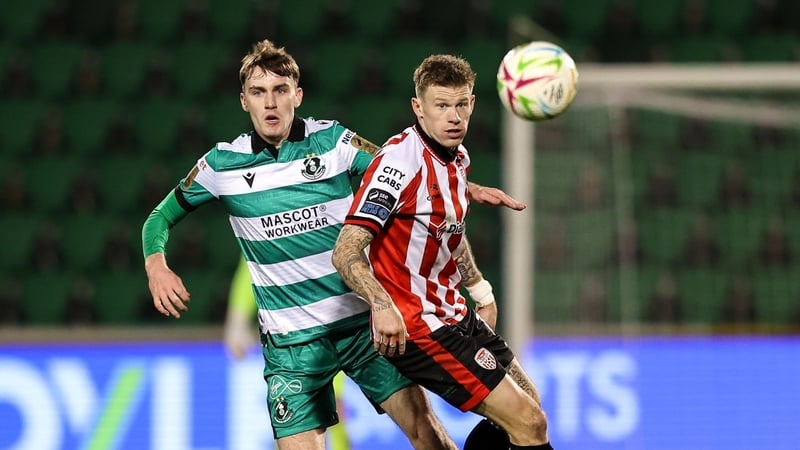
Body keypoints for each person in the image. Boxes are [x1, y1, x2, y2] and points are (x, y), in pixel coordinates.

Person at [141, 39, 525, 450]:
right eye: (258, 92)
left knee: (427, 435)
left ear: (297, 95)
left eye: (280, 90)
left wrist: (466, 185)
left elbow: (407, 172)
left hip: (365, 328)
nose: (270, 103)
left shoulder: (334, 142)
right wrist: (156, 264)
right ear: (243, 101)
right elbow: (158, 218)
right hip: (292, 348)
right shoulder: (221, 165)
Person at [331, 54, 553, 450]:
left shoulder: (458, 157)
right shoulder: (398, 164)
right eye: (441, 105)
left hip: (453, 311)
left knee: (529, 404)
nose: (454, 117)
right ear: (418, 107)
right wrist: (382, 305)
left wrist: (480, 290)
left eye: (461, 104)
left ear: (473, 104)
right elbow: (346, 250)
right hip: (417, 326)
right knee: (529, 422)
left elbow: (446, 228)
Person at [224, 256, 351, 450]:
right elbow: (252, 258)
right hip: (286, 326)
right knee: (292, 410)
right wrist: (237, 319)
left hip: (333, 315)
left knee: (330, 405)